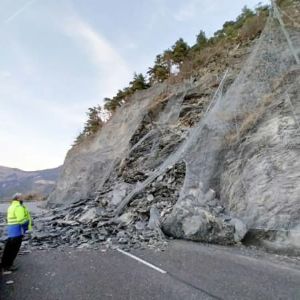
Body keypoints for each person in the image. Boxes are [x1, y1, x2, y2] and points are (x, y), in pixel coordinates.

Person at [1, 193, 31, 273]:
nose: (23, 198)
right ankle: (8, 266)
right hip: (18, 231)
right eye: (21, 197)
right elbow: (22, 220)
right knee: (14, 250)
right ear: (17, 199)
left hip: (11, 231)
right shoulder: (18, 207)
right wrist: (27, 225)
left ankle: (4, 265)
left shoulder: (11, 206)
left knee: (8, 249)